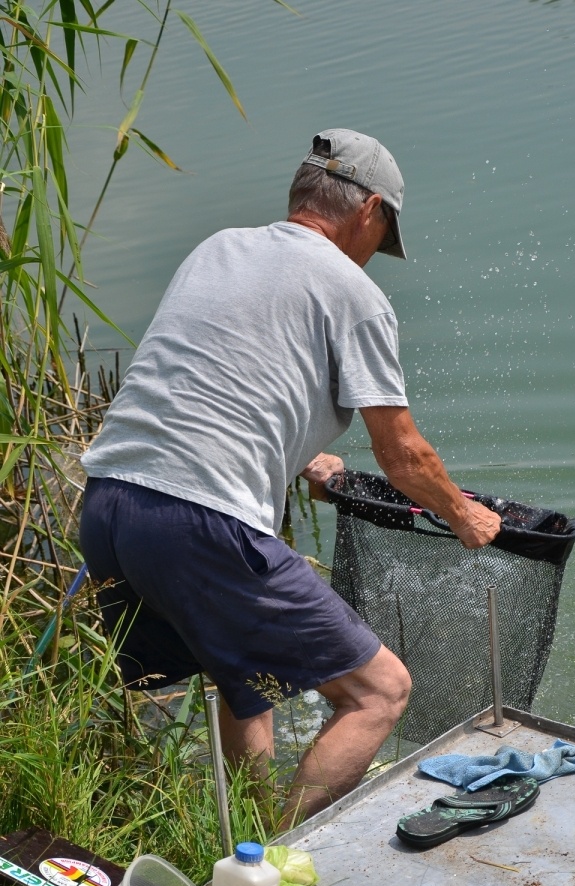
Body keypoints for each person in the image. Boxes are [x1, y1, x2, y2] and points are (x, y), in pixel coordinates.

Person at [79, 128, 501, 827]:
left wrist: (296, 452)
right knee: (379, 692)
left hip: (112, 504)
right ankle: (267, 860)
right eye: (382, 235)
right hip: (199, 522)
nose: (374, 256)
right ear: (369, 211)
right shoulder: (352, 291)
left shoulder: (218, 249)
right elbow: (403, 455)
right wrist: (462, 514)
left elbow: (210, 376)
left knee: (241, 681)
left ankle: (235, 834)